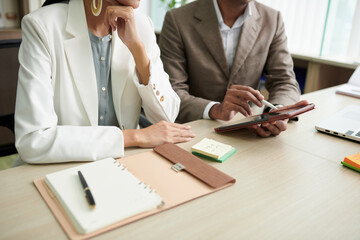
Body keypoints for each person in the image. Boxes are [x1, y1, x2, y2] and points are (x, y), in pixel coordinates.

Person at [14, 0, 195, 165]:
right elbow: (34, 140)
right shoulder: (42, 25)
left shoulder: (140, 25)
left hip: (124, 164)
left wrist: (138, 50)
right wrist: (135, 137)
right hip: (60, 167)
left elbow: (166, 117)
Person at [159, 0, 301, 137]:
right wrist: (215, 109)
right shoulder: (178, 19)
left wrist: (276, 113)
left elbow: (285, 80)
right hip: (192, 130)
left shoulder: (272, 19)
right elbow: (170, 91)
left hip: (247, 131)